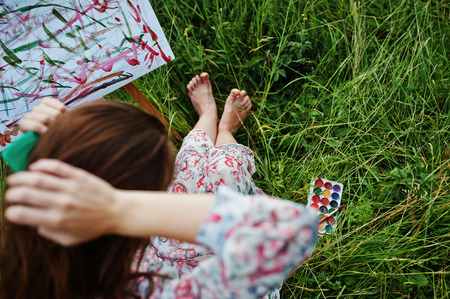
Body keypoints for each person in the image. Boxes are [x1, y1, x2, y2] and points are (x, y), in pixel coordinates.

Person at [2, 74, 318, 299]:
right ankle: (222, 129)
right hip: (220, 263)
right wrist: (116, 208)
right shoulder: (152, 291)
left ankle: (210, 119)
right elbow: (288, 229)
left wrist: (47, 150)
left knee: (196, 171)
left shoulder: (30, 264)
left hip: (146, 243)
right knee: (223, 172)